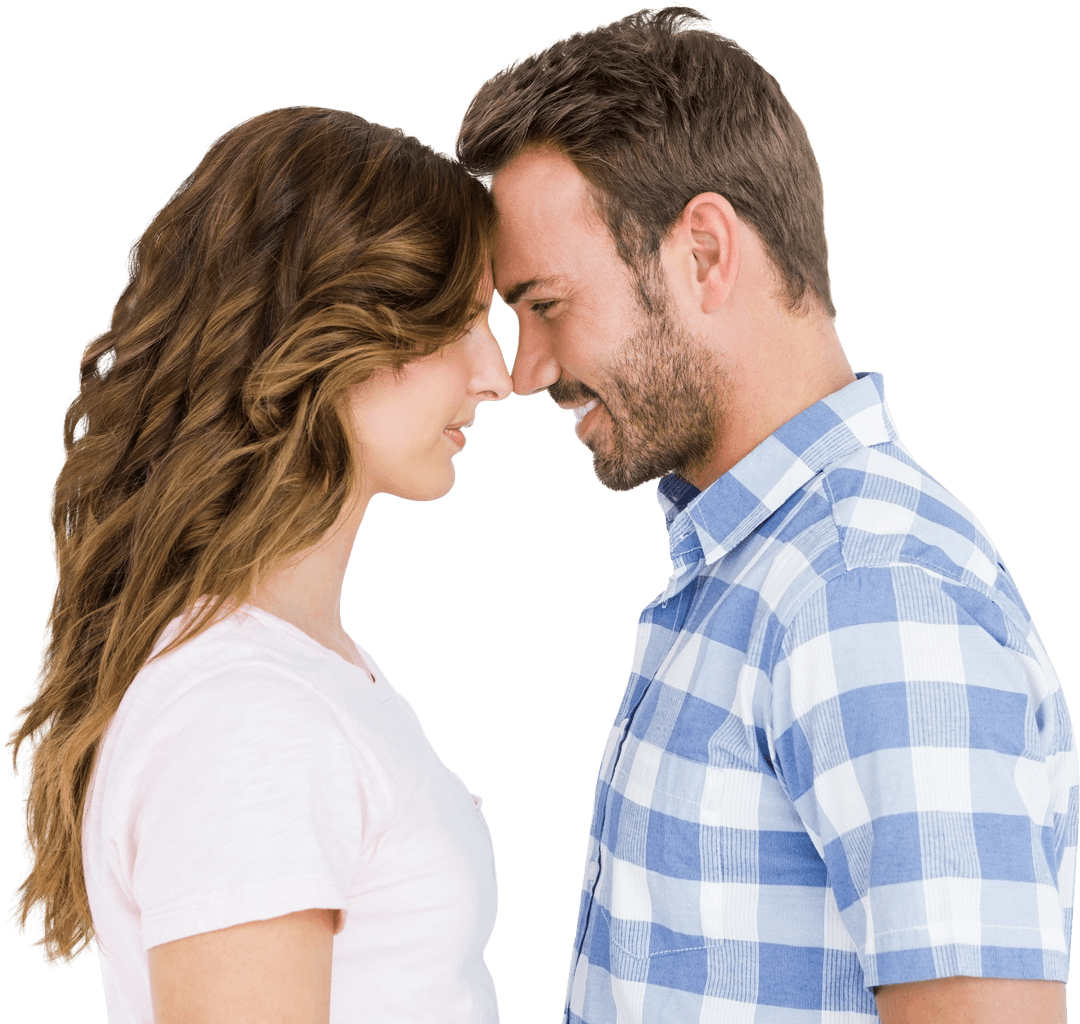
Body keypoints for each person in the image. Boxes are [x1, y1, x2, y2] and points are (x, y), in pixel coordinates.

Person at [454, 5, 1077, 1023]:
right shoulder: (756, 572)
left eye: (546, 304)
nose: (526, 372)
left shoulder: (867, 591)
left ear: (703, 252)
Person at [6, 105, 511, 1023]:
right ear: (330, 333)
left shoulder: (300, 676)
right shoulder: (248, 718)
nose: (497, 375)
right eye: (460, 321)